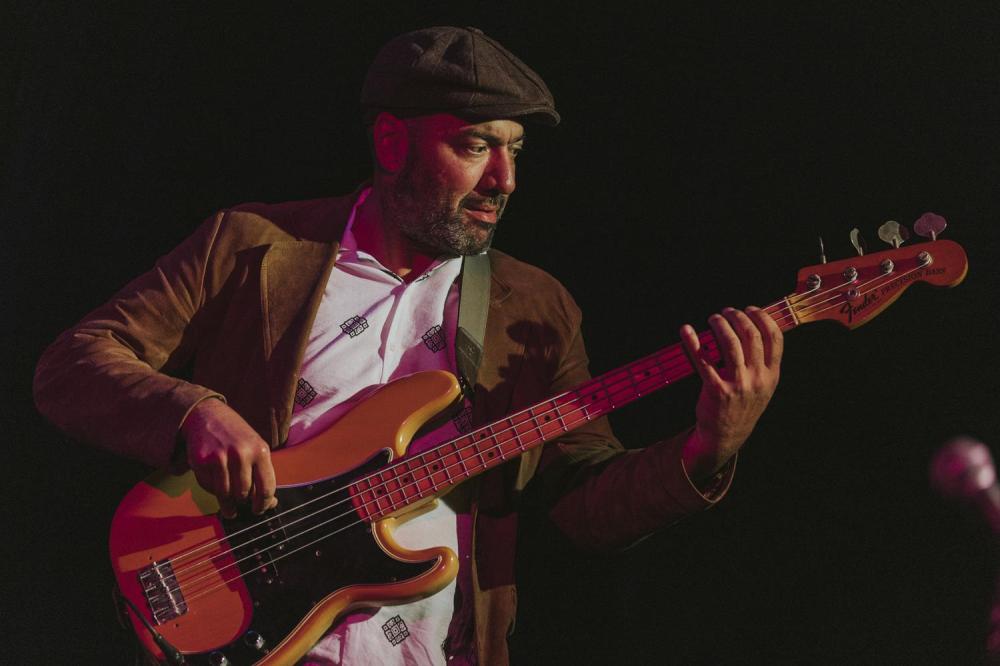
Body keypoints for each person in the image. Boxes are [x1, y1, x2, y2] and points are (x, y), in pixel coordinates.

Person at [33, 26, 782, 665]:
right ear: (392, 142)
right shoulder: (252, 247)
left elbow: (579, 504)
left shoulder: (537, 306)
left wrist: (706, 451)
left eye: (515, 151)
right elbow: (74, 363)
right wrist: (194, 412)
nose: (505, 179)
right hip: (243, 622)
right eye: (476, 146)